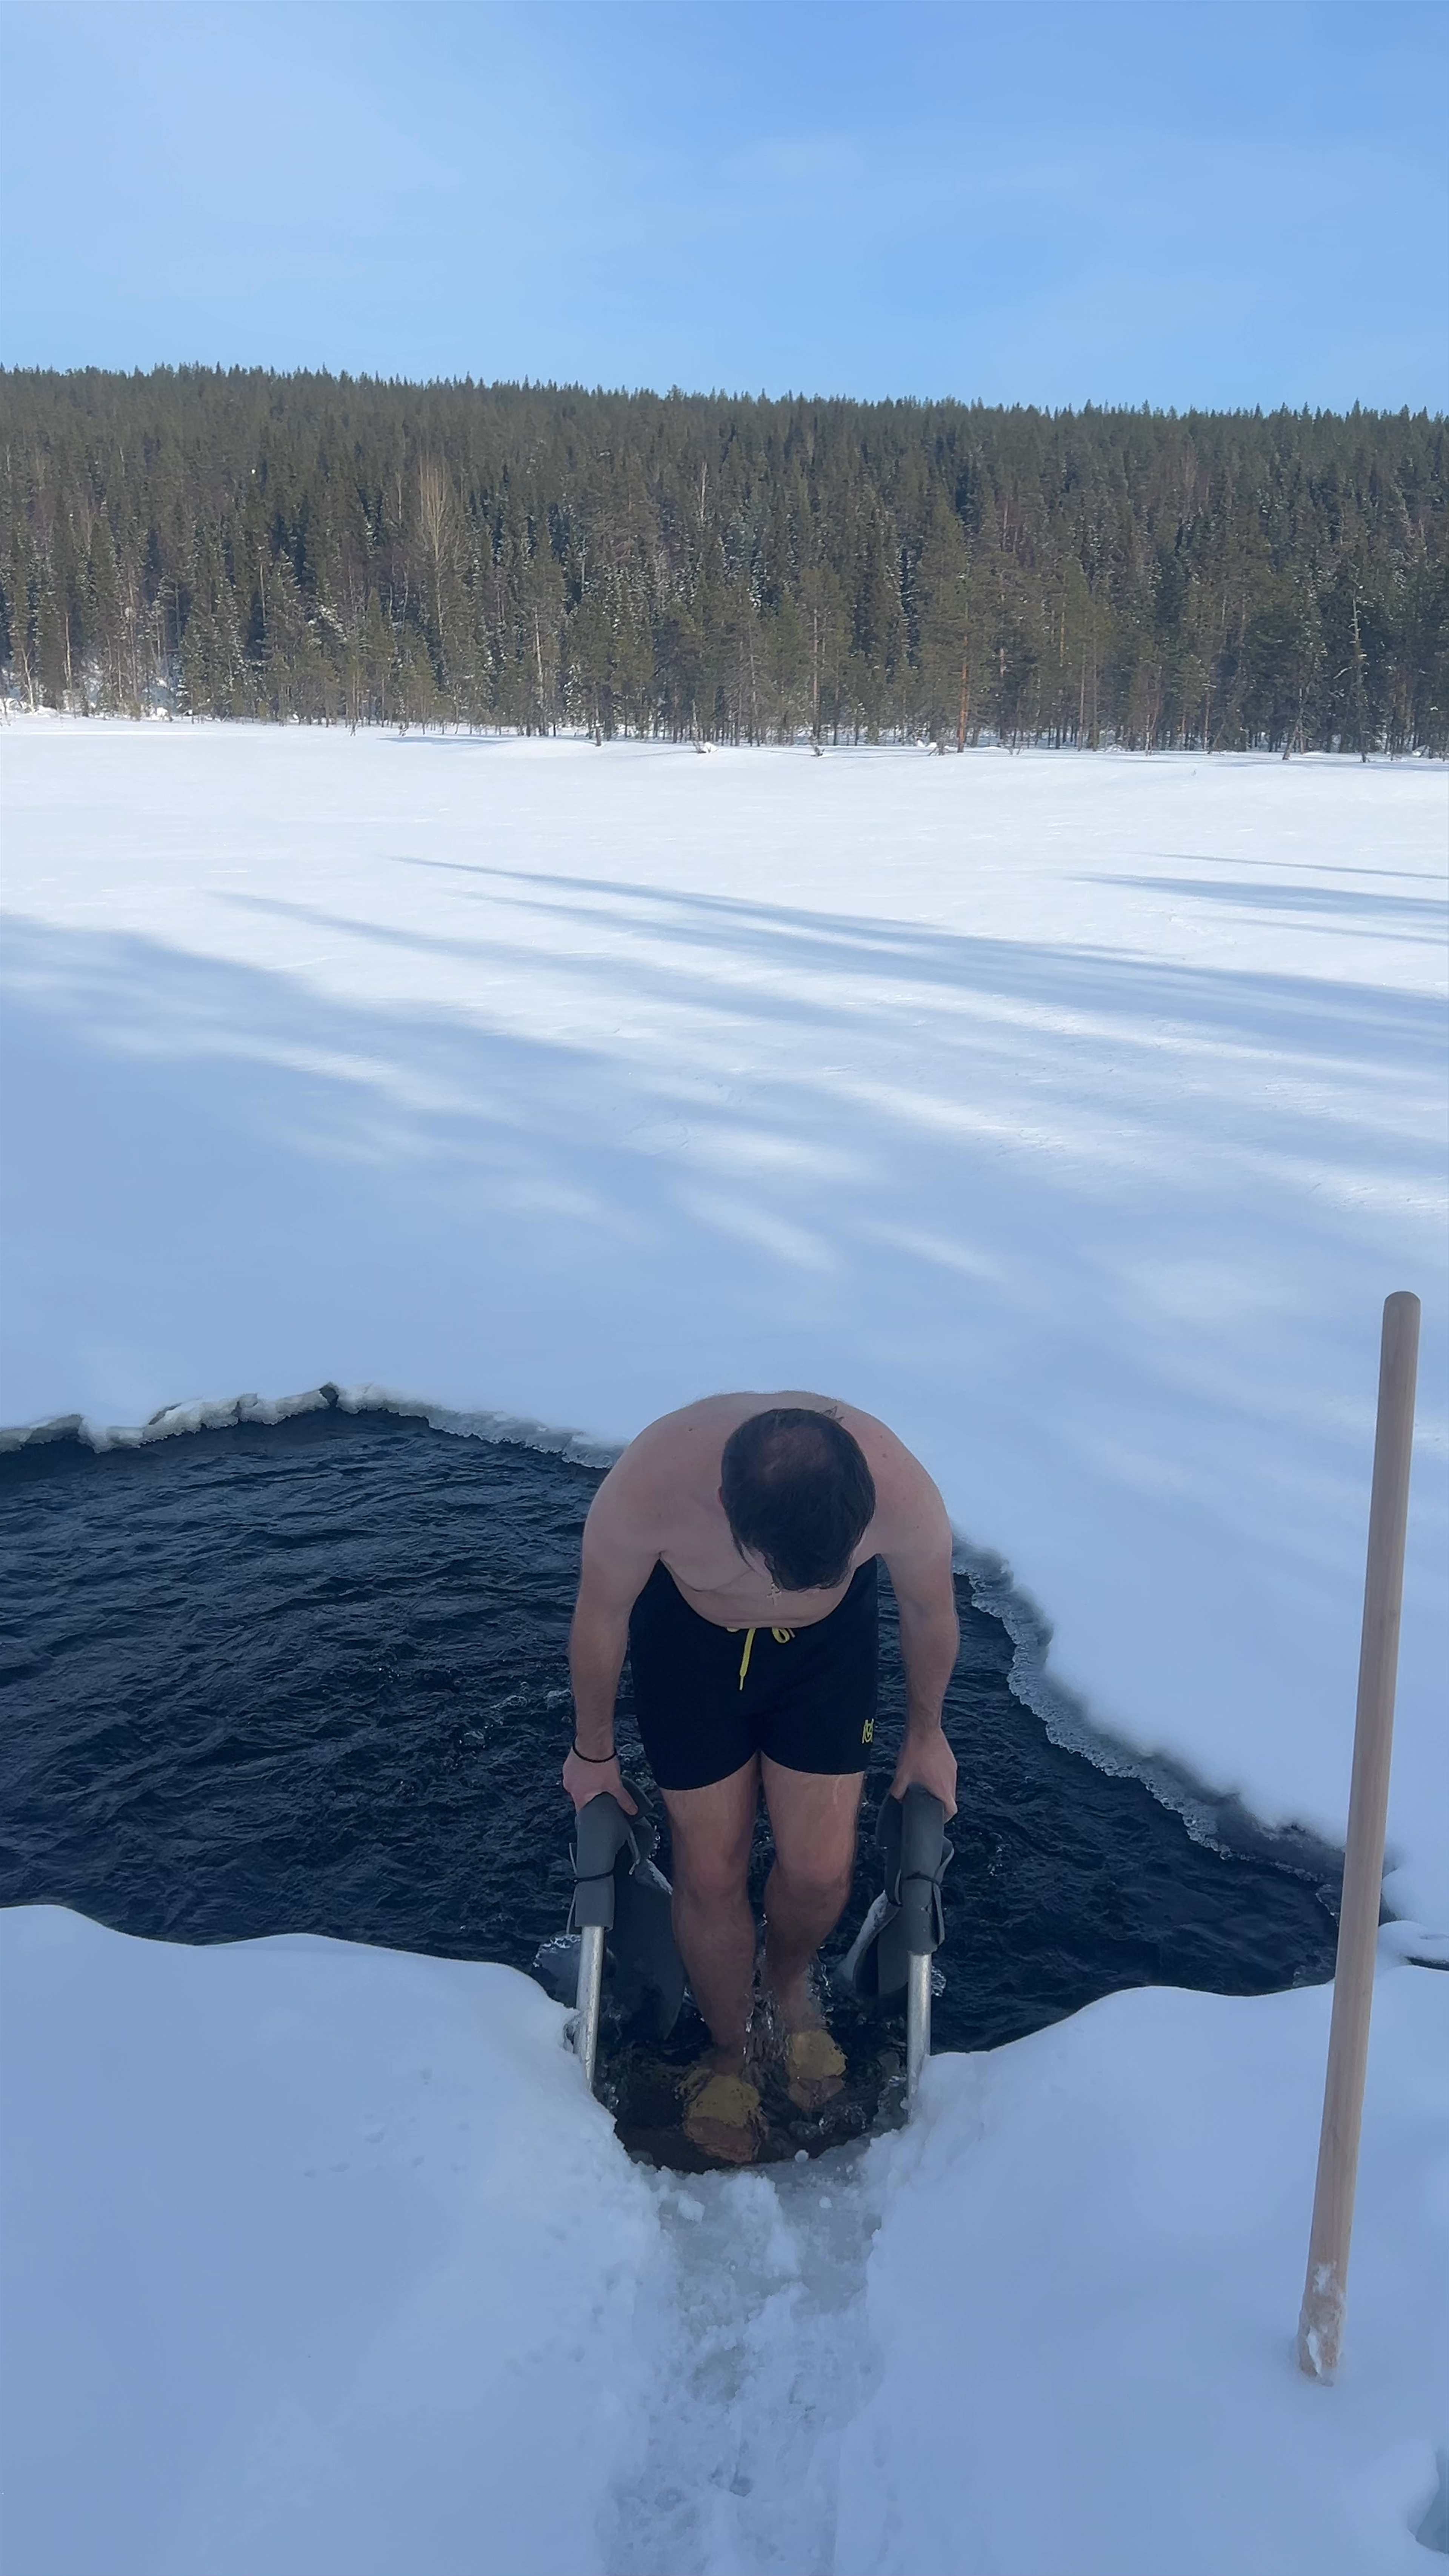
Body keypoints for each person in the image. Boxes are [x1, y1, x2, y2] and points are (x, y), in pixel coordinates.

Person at [563, 1392, 959, 2161]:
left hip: (823, 1657)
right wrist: (594, 1752)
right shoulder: (650, 1485)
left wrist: (926, 1734)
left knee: (820, 1869)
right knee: (711, 1869)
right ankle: (730, 2047)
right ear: (724, 1505)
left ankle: (785, 1986)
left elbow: (927, 1609)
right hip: (692, 1648)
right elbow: (601, 1615)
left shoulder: (898, 1485)